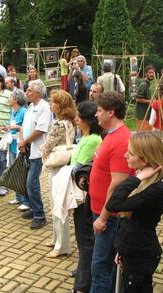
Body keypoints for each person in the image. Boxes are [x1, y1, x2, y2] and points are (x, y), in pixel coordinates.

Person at [106, 132, 163, 293]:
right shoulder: (147, 179)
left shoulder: (157, 188)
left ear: (145, 159)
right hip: (131, 247)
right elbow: (128, 220)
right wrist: (121, 248)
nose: (125, 155)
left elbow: (113, 204)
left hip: (141, 253)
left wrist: (137, 179)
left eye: (131, 153)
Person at [89, 91, 134, 293]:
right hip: (100, 210)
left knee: (101, 267)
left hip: (109, 216)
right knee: (102, 264)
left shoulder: (121, 140)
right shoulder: (110, 135)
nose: (96, 115)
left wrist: (104, 217)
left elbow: (117, 185)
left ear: (111, 112)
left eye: (99, 111)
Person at [70, 101, 103, 293]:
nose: (76, 119)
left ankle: (83, 284)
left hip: (83, 195)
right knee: (83, 239)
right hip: (79, 193)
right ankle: (83, 273)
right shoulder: (85, 137)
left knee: (85, 239)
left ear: (87, 121)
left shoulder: (92, 140)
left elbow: (77, 166)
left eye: (79, 116)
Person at [41, 89, 77, 258]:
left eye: (53, 102)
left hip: (58, 166)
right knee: (57, 203)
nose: (50, 104)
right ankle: (56, 239)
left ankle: (61, 246)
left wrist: (44, 154)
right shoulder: (70, 122)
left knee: (58, 205)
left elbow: (47, 146)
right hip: (65, 165)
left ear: (60, 106)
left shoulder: (58, 125)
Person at [18, 79, 52, 229]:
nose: (26, 92)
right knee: (28, 181)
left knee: (32, 182)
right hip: (27, 148)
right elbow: (24, 127)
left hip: (37, 150)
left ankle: (40, 215)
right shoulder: (31, 106)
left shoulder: (45, 108)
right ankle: (33, 208)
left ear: (38, 92)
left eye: (29, 90)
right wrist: (22, 142)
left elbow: (40, 130)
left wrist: (25, 142)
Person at [1, 89, 28, 209]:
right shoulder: (13, 111)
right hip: (11, 144)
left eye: (10, 96)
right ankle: (18, 197)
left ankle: (25, 200)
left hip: (19, 144)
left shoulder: (24, 112)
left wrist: (16, 127)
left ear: (16, 99)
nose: (9, 98)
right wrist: (5, 128)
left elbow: (25, 127)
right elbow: (11, 126)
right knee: (14, 170)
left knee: (21, 172)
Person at [135, 65, 155, 132]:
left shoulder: (148, 84)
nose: (152, 74)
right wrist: (150, 101)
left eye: (153, 73)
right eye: (150, 72)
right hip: (142, 114)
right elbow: (138, 99)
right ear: (146, 74)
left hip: (147, 113)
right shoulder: (143, 85)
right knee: (143, 136)